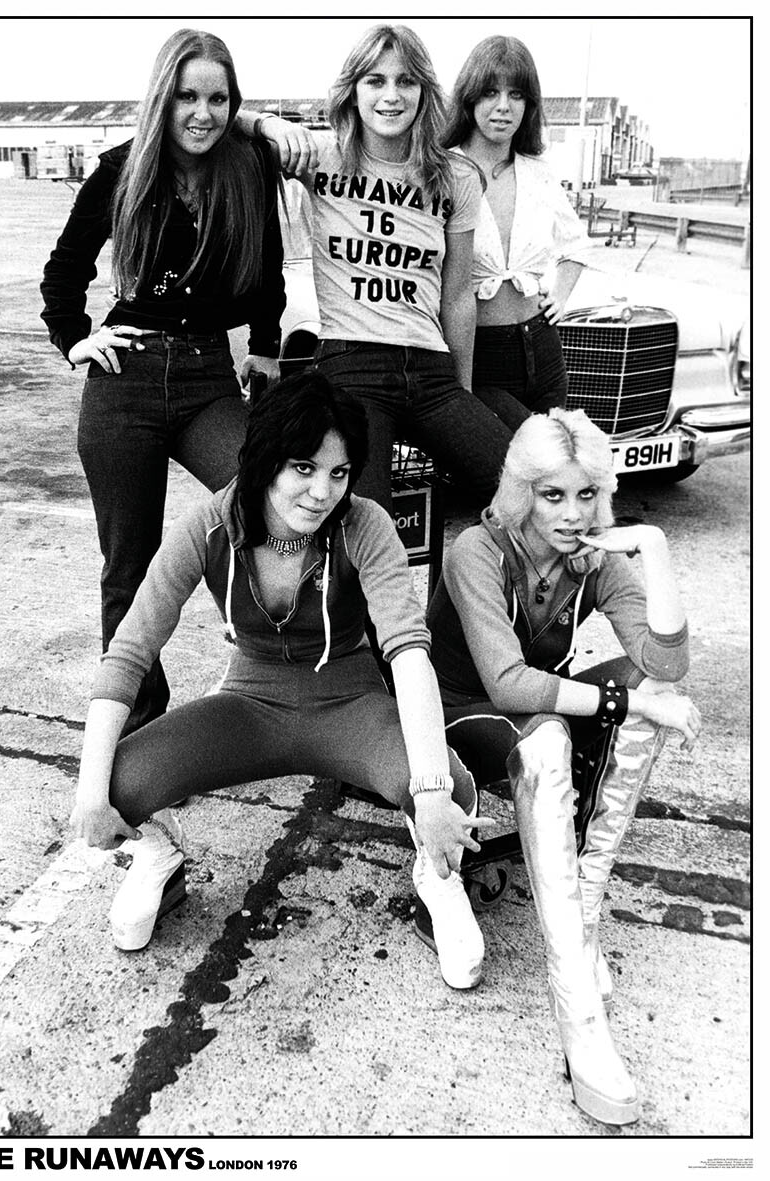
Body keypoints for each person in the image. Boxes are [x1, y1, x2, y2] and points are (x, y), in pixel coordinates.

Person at [70, 371, 493, 991]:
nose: (323, 492)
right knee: (115, 782)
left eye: (339, 473)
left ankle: (438, 873)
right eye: (304, 467)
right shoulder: (209, 525)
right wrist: (89, 791)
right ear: (266, 458)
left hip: (348, 699)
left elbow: (408, 652)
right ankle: (160, 853)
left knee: (452, 784)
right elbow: (130, 651)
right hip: (250, 703)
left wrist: (429, 793)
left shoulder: (366, 524)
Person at [426, 408, 701, 1125]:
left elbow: (666, 662)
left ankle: (581, 920)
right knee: (554, 735)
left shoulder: (594, 556)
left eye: (587, 494)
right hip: (452, 717)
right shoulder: (476, 550)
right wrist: (624, 701)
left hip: (535, 710)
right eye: (553, 495)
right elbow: (506, 684)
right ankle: (579, 1018)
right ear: (521, 490)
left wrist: (652, 547)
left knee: (653, 692)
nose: (572, 514)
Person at [40, 29, 285, 734]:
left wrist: (265, 348)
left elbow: (267, 269)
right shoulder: (122, 169)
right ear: (162, 99)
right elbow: (65, 270)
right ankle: (140, 724)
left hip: (208, 377)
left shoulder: (248, 167)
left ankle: (267, 670)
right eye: (186, 97)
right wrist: (75, 339)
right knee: (129, 564)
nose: (202, 113)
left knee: (266, 503)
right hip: (127, 379)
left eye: (217, 98)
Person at [245, 24, 523, 512]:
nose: (391, 96)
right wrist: (270, 124)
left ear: (424, 91)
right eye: (375, 81)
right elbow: (226, 117)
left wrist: (462, 397)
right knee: (365, 521)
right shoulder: (321, 157)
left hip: (431, 370)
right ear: (353, 91)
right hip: (352, 365)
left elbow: (458, 296)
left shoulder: (456, 176)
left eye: (406, 81)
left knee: (522, 494)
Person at [442, 36, 591, 425]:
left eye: (517, 94)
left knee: (552, 457)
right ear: (469, 97)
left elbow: (576, 246)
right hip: (478, 355)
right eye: (490, 92)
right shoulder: (443, 171)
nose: (504, 106)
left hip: (542, 347)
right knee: (503, 457)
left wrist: (560, 297)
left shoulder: (539, 172)